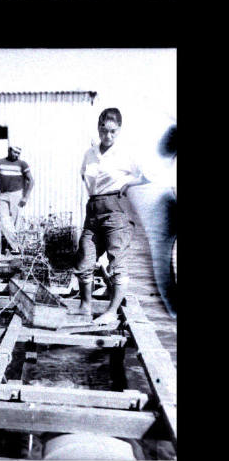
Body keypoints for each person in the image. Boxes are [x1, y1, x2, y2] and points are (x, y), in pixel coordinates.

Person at [74, 108, 148, 326]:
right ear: (98, 128)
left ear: (119, 131)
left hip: (116, 209)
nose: (108, 136)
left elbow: (146, 177)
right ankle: (85, 305)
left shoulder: (126, 153)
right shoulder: (90, 153)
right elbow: (83, 174)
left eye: (113, 132)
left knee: (117, 262)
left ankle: (111, 311)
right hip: (93, 209)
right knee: (85, 258)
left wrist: (126, 184)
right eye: (104, 130)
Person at [0, 144, 34, 253]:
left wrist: (25, 197)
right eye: (15, 152)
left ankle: (14, 249)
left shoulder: (22, 164)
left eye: (19, 153)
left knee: (16, 222)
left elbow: (31, 181)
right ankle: (17, 247)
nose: (17, 155)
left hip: (17, 195)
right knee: (4, 221)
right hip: (3, 195)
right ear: (9, 151)